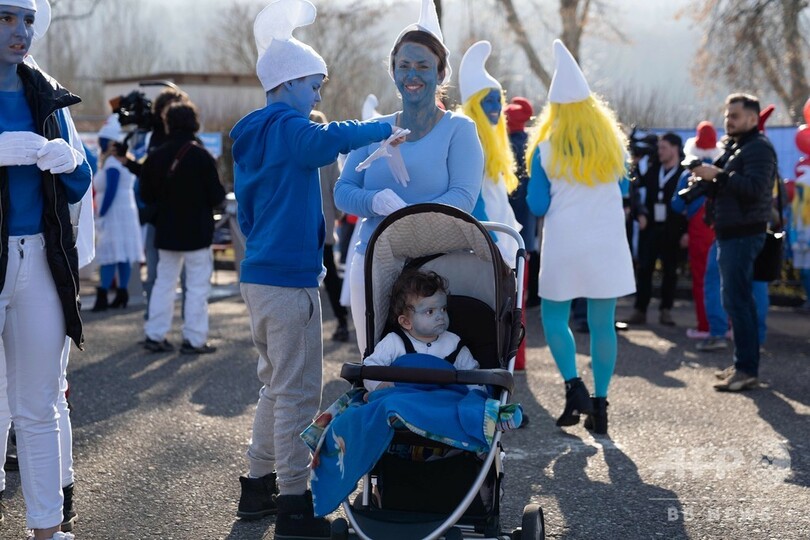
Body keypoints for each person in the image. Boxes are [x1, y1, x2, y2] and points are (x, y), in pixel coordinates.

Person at [230, 1, 399, 536]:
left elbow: (249, 211)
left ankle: (257, 487)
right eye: (314, 85)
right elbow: (324, 142)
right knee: (298, 394)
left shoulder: (253, 133)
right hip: (290, 281)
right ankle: (293, 506)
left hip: (259, 275)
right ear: (287, 82)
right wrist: (383, 127)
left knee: (274, 386)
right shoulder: (289, 127)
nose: (318, 97)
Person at [335, 0, 484, 354]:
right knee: (375, 358)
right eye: (404, 66)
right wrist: (374, 201)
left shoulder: (459, 130)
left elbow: (463, 197)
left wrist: (407, 217)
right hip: (373, 260)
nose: (412, 75)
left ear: (441, 73)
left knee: (433, 362)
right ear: (393, 71)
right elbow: (343, 190)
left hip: (436, 267)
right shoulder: (374, 129)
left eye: (423, 66)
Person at [0, 0, 92, 537]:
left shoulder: (46, 93)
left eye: (28, 19)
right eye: (6, 17)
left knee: (39, 404)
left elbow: (80, 181)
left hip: (40, 258)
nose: (21, 31)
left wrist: (72, 161)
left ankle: (47, 529)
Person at [525, 40, 635, 435]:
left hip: (565, 245)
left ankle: (574, 388)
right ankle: (601, 406)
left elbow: (537, 204)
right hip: (607, 244)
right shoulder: (614, 147)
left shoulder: (544, 149)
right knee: (603, 323)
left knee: (554, 319)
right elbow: (623, 191)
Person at [689, 93, 777, 392]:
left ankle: (746, 370)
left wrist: (719, 175)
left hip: (743, 233)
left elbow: (755, 188)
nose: (729, 120)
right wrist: (708, 179)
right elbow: (730, 183)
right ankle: (743, 364)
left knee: (738, 302)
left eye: (735, 116)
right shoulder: (737, 146)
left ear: (753, 118)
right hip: (730, 232)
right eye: (727, 115)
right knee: (737, 302)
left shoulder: (759, 148)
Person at [139, 101, 225, 354]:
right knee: (197, 286)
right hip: (197, 232)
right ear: (194, 123)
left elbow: (146, 194)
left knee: (163, 283)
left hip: (166, 230)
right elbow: (217, 196)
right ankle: (194, 339)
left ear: (168, 123)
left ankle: (155, 334)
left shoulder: (155, 156)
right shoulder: (202, 156)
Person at [116, 87, 190, 314]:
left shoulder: (180, 139)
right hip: (162, 216)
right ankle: (155, 319)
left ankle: (177, 321)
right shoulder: (157, 136)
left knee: (184, 275)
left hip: (174, 216)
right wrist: (128, 161)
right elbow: (149, 174)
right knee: (157, 273)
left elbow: (151, 175)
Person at [363, 269, 479, 392]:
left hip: (443, 398)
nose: (440, 316)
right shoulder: (394, 342)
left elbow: (473, 377)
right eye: (430, 311)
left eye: (443, 309)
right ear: (406, 322)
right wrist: (378, 385)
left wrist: (477, 396)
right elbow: (371, 368)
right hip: (404, 396)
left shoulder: (454, 344)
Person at [459, 40, 522, 264]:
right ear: (475, 105)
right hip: (486, 245)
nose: (497, 107)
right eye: (489, 101)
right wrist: (494, 244)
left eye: (498, 100)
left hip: (501, 239)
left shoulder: (491, 141)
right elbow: (473, 201)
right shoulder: (470, 141)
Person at [624, 132, 687, 326]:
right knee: (644, 269)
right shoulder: (653, 169)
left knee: (670, 271)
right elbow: (636, 189)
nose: (660, 152)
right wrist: (640, 214)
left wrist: (686, 232)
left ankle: (666, 310)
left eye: (664, 148)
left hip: (673, 229)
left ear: (675, 148)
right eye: (659, 148)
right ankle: (640, 310)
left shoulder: (684, 173)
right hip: (650, 228)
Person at [671, 121, 721, 339]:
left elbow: (676, 204)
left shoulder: (690, 173)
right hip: (721, 228)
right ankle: (726, 325)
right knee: (724, 279)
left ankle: (706, 326)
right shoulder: (722, 169)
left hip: (699, 230)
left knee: (702, 279)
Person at [91, 114, 144, 311]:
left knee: (110, 254)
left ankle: (103, 295)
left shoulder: (112, 163)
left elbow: (111, 190)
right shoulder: (122, 161)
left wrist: (102, 212)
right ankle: (122, 293)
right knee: (123, 254)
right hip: (125, 211)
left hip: (114, 213)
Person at [310, 110, 350, 342]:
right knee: (331, 276)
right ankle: (342, 320)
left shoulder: (296, 150)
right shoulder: (329, 156)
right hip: (323, 226)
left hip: (301, 228)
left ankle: (304, 325)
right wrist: (337, 214)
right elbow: (337, 189)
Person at [505, 96, 540, 307]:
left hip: (510, 204)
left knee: (513, 252)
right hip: (529, 205)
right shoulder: (532, 143)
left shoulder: (505, 145)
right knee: (529, 249)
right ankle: (531, 296)